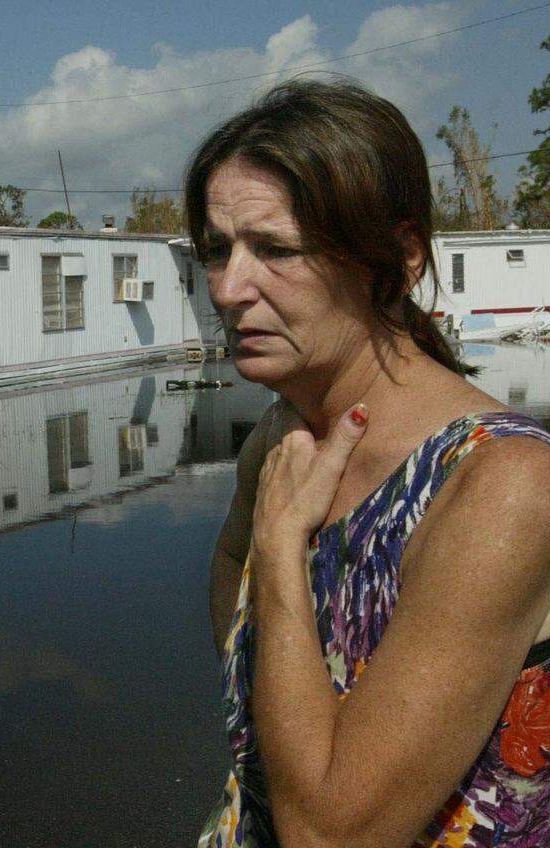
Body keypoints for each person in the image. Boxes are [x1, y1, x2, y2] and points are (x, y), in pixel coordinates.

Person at [191, 79, 550, 847]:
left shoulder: (502, 485)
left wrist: (283, 547)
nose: (227, 288)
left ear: (400, 257)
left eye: (275, 250)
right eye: (217, 251)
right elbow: (229, 567)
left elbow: (331, 833)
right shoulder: (283, 435)